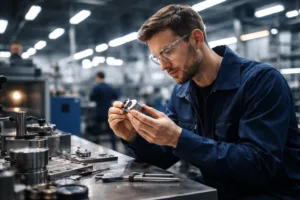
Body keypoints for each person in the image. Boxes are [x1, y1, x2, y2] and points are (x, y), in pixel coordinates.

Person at [108, 4, 300, 200]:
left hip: (269, 193)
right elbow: (163, 158)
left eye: (167, 51)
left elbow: (260, 165)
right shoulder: (182, 92)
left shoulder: (261, 81)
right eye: (157, 58)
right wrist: (133, 137)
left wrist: (178, 138)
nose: (164, 66)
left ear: (196, 38)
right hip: (218, 189)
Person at [90, 71, 118, 150]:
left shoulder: (96, 87)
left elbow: (91, 98)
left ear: (98, 77)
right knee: (111, 131)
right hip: (109, 112)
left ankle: (97, 148)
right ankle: (114, 148)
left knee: (97, 132)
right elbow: (115, 96)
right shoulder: (109, 87)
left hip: (99, 112)